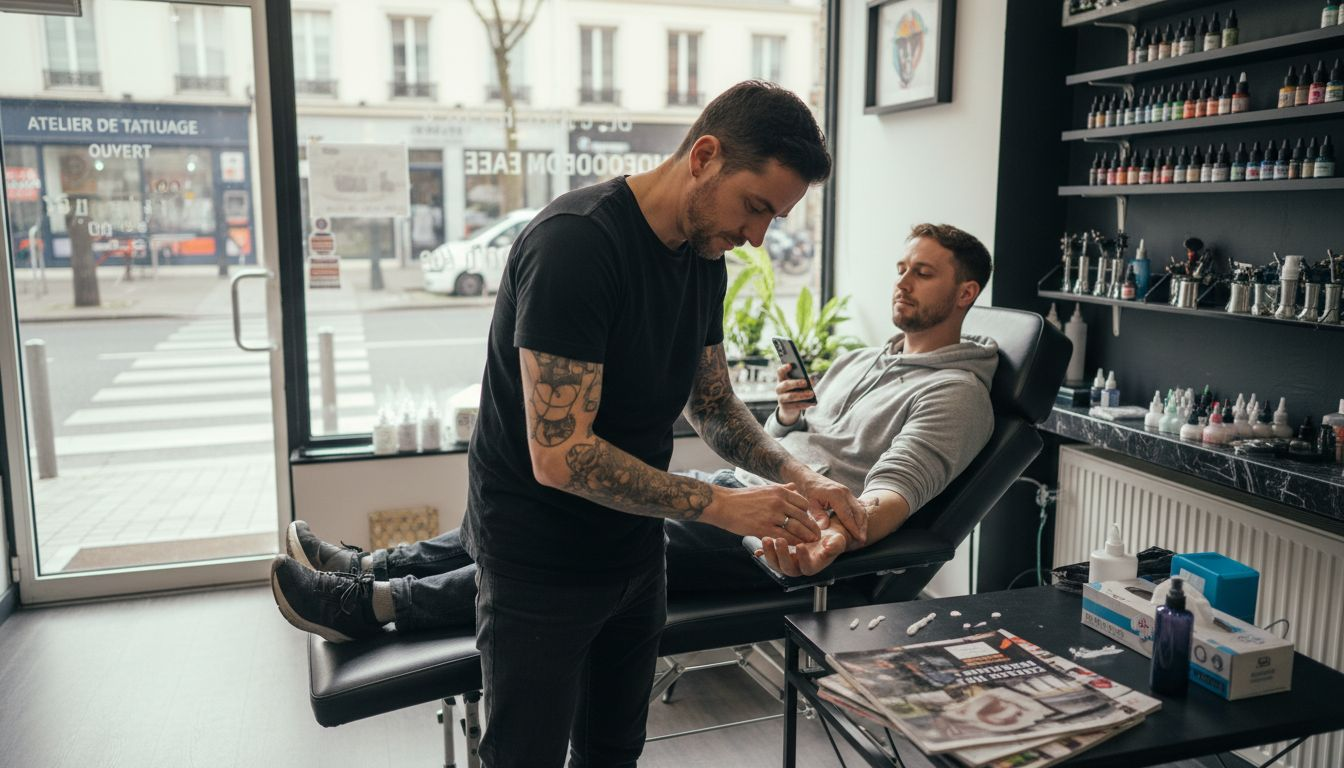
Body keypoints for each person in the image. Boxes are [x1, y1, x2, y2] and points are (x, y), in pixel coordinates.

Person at [273, 81, 856, 768]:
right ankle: (371, 590)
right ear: (704, 156)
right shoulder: (577, 244)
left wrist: (799, 474)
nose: (757, 237)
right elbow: (562, 454)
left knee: (612, 751)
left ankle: (370, 581)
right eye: (755, 208)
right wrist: (726, 507)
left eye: (774, 220)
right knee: (527, 756)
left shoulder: (704, 261)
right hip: (538, 559)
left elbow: (713, 404)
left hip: (636, 551)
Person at [273, 221, 997, 629]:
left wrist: (833, 534)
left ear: (965, 293)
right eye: (901, 267)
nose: (901, 282)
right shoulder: (868, 358)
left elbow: (888, 498)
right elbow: (805, 441)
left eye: (923, 274)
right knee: (561, 497)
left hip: (781, 537)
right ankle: (380, 565)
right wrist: (786, 417)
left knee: (594, 536)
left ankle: (375, 606)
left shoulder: (956, 394)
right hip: (740, 488)